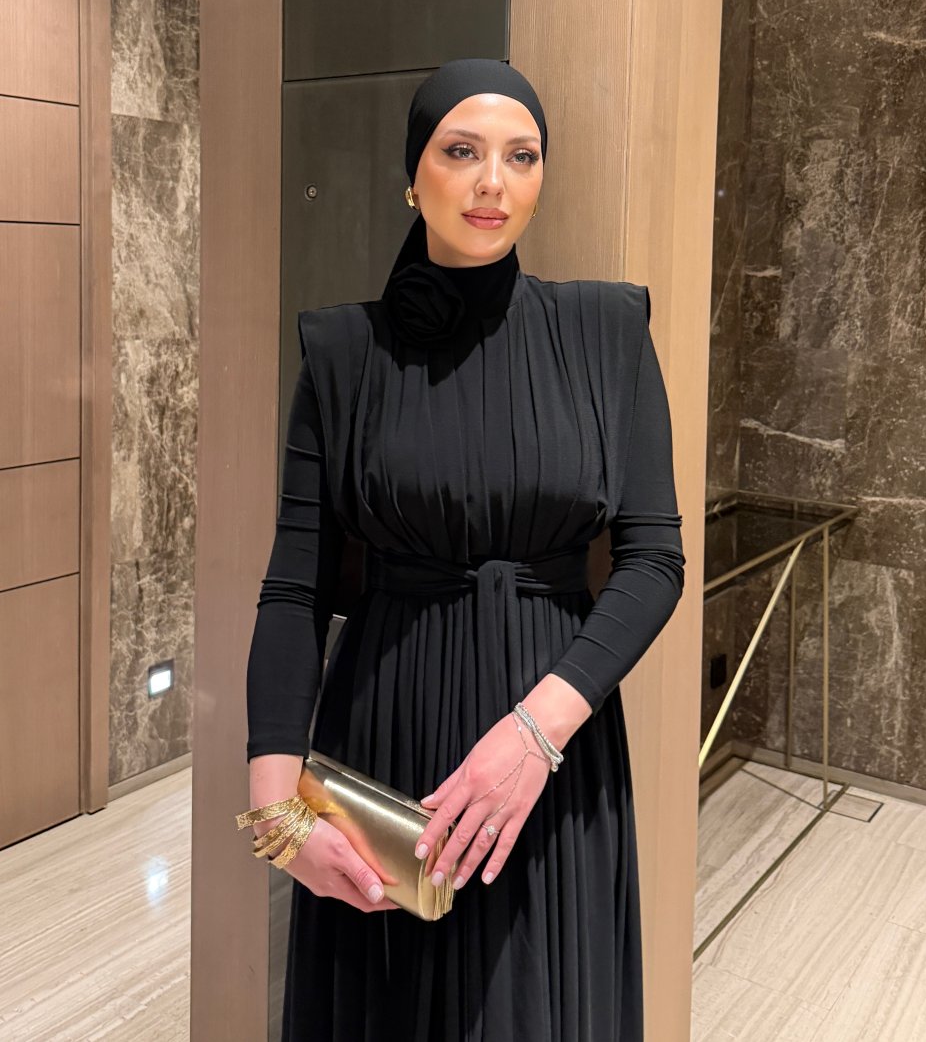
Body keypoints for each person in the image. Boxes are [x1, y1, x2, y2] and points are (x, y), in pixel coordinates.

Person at [242, 58, 686, 1041]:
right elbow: (293, 588)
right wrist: (275, 813)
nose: (493, 181)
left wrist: (534, 734)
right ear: (413, 176)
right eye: (461, 151)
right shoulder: (343, 355)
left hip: (552, 751)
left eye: (521, 156)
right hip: (385, 739)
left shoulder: (607, 331)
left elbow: (654, 559)